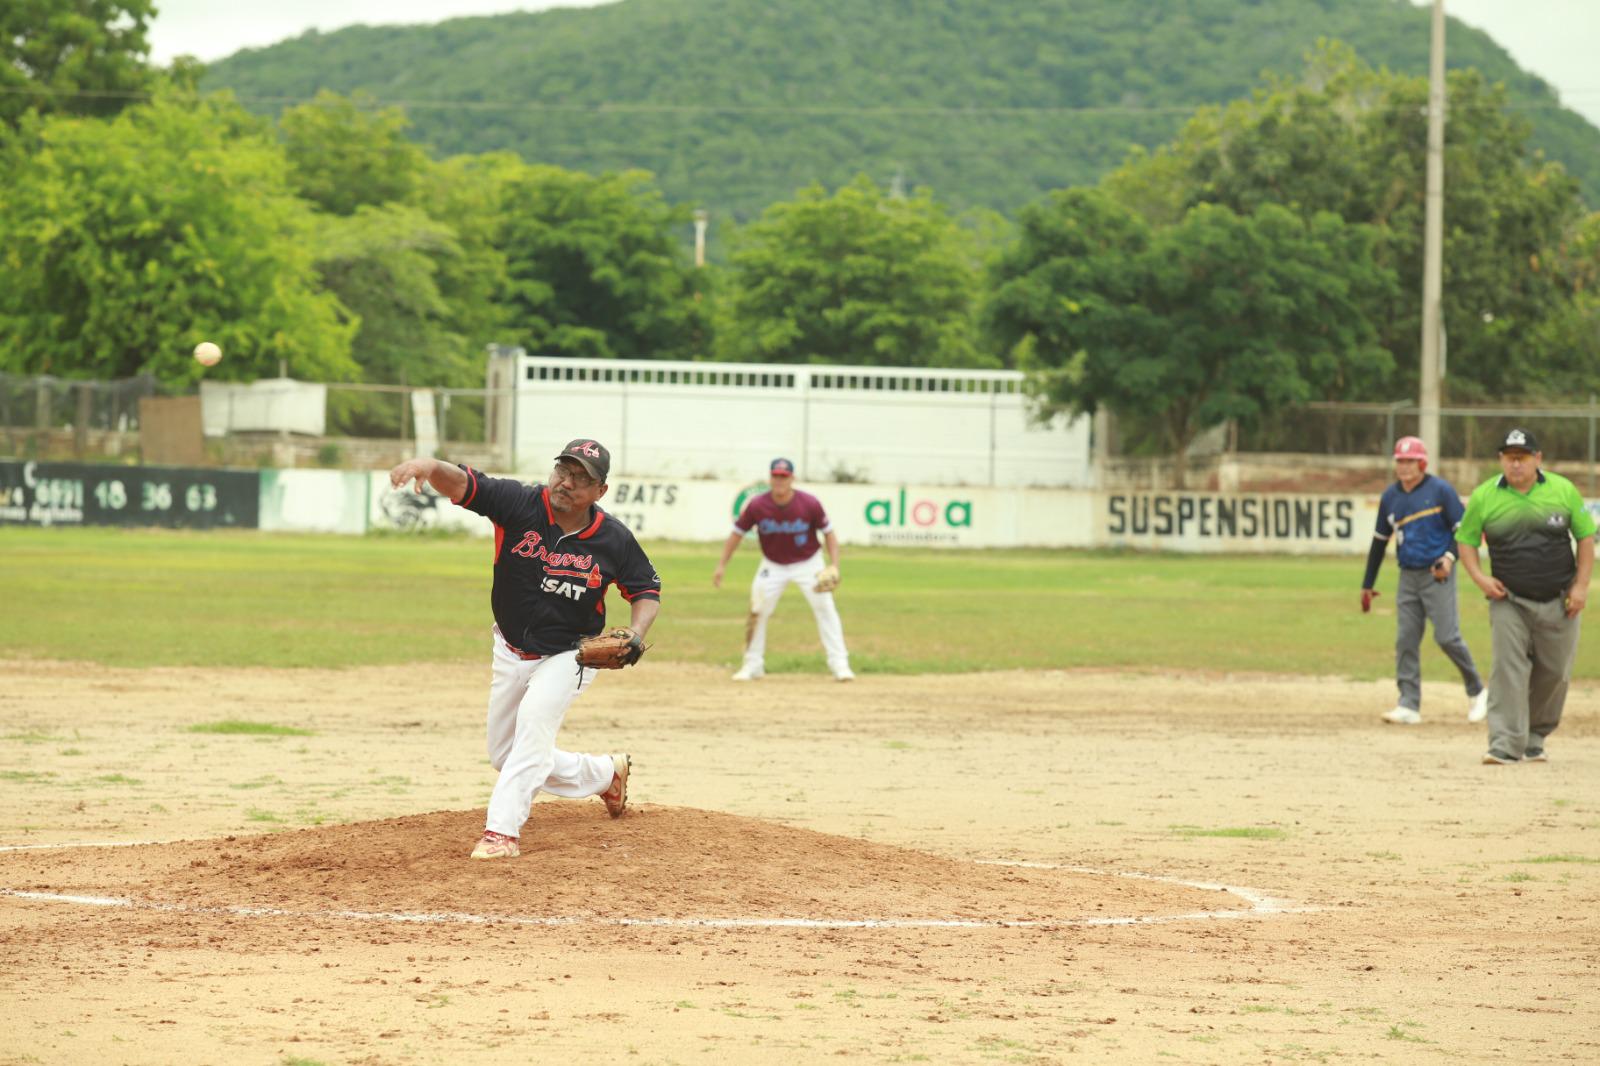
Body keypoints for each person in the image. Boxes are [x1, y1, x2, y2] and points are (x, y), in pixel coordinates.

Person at [388, 438, 661, 859]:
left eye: (581, 478)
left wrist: (637, 633)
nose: (567, 483)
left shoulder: (613, 539)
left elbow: (646, 589)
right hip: (511, 647)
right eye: (563, 471)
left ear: (600, 491)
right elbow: (465, 484)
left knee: (534, 725)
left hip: (571, 654)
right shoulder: (520, 505)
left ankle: (501, 832)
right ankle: (605, 774)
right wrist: (429, 464)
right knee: (505, 754)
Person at [1456, 428, 1594, 765]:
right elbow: (1466, 541)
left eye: (1522, 457)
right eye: (1509, 457)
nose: (1515, 464)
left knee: (1556, 671)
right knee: (1508, 669)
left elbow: (1586, 538)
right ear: (1501, 459)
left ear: (1537, 459)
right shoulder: (1485, 496)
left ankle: (1534, 736)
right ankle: (1504, 742)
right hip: (1509, 599)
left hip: (1559, 599)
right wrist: (1479, 578)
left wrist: (1581, 586)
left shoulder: (1562, 490)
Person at [1360, 436, 1487, 725]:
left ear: (1422, 463)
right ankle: (1408, 703)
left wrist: (1449, 558)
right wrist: (1368, 583)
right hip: (1407, 575)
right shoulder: (1391, 497)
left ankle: (1478, 691)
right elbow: (1380, 542)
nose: (1404, 467)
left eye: (1410, 461)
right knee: (1405, 638)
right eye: (1400, 461)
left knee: (1446, 636)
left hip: (1437, 574)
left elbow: (1464, 531)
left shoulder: (1440, 490)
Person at [712, 457, 853, 681]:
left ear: (792, 478)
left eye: (784, 476)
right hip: (773, 565)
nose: (779, 480)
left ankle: (840, 665)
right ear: (770, 477)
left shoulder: (809, 503)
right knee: (758, 611)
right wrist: (721, 566)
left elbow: (829, 533)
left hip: (809, 563)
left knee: (825, 608)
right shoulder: (758, 505)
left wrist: (834, 565)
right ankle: (753, 664)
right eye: (776, 476)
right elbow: (736, 534)